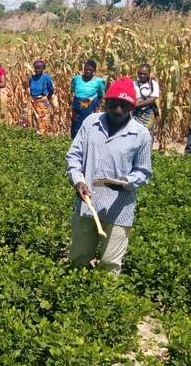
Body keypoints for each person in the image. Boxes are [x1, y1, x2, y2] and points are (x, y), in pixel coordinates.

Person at [66, 77, 152, 275]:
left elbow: (144, 172)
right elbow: (74, 156)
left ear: (131, 106)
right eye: (114, 105)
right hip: (88, 205)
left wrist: (127, 181)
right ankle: (77, 300)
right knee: (78, 260)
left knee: (110, 265)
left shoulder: (140, 135)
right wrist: (78, 181)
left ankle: (105, 302)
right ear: (106, 102)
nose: (118, 111)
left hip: (119, 209)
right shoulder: (90, 123)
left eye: (124, 106)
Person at [70, 60, 107, 139]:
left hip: (90, 106)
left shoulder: (99, 81)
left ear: (94, 71)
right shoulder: (76, 79)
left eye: (90, 70)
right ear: (84, 69)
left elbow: (101, 95)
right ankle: (75, 141)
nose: (88, 71)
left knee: (88, 123)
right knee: (76, 123)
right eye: (86, 69)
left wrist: (96, 106)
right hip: (77, 104)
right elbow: (72, 91)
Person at [28, 60, 55, 135]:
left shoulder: (47, 78)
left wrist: (46, 100)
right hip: (33, 101)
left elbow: (51, 90)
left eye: (40, 68)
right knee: (34, 119)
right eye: (36, 68)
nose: (37, 70)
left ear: (43, 68)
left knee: (43, 120)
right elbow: (29, 88)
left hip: (42, 101)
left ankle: (43, 136)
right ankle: (36, 135)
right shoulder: (32, 78)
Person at [132, 63, 160, 136]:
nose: (142, 76)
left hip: (148, 113)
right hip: (135, 113)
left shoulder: (153, 84)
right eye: (140, 73)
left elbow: (152, 100)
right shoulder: (133, 84)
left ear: (148, 74)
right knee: (134, 133)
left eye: (144, 74)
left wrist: (136, 105)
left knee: (146, 134)